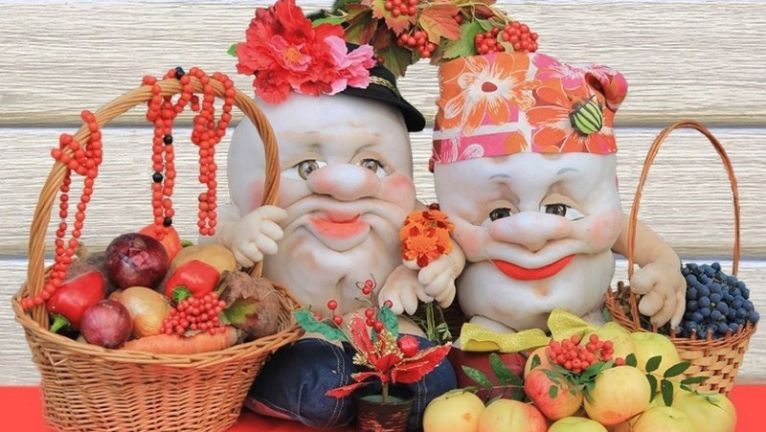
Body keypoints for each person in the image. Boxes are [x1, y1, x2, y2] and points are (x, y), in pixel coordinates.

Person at [211, 1, 457, 428]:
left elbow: (445, 244)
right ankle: (314, 379)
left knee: (427, 380)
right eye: (307, 167)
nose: (346, 184)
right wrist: (236, 237)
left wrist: (435, 269)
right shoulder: (239, 215)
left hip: (384, 323)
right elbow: (211, 251)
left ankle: (401, 386)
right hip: (296, 329)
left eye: (373, 164)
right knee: (316, 378)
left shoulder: (413, 218)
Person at [424, 51, 686, 335]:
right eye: (498, 214)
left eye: (558, 209)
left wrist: (666, 268)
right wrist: (442, 267)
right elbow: (447, 251)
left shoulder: (611, 219)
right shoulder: (447, 229)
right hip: (490, 335)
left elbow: (657, 254)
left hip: (590, 333)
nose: (531, 233)